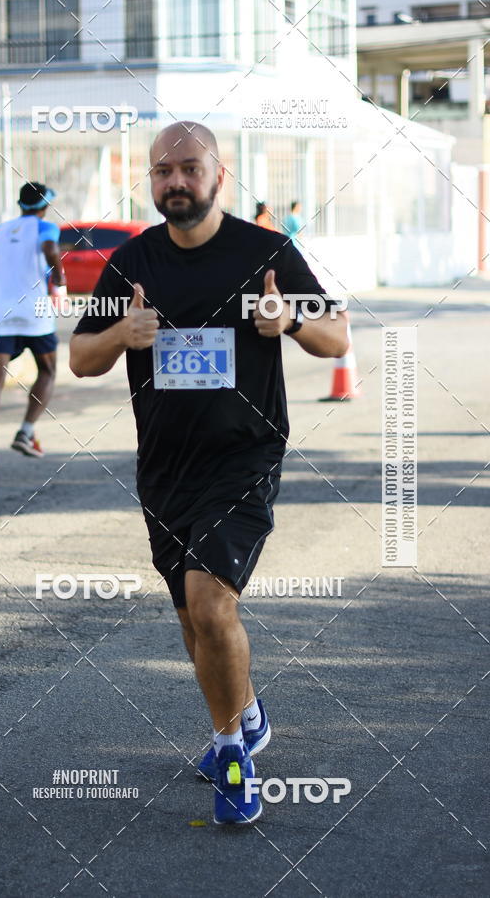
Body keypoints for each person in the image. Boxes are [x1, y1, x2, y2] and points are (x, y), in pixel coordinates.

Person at [70, 122, 348, 825]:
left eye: (189, 168)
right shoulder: (133, 262)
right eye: (162, 171)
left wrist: (287, 321)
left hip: (244, 456)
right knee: (193, 616)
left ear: (218, 176)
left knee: (211, 599)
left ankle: (231, 754)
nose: (175, 182)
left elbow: (336, 334)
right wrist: (119, 335)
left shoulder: (265, 252)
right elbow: (80, 357)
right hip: (165, 466)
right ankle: (246, 713)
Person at [0, 182, 64, 458]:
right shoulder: (45, 228)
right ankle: (25, 431)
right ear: (45, 206)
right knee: (48, 370)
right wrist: (59, 278)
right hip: (34, 314)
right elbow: (50, 248)